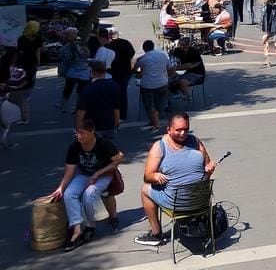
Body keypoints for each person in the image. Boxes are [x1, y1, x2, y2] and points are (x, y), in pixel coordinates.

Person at [135, 111, 218, 246]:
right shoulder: (162, 146)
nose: (182, 134)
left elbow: (146, 177)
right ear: (168, 129)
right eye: (178, 130)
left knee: (145, 190)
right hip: (201, 202)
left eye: (186, 129)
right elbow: (149, 176)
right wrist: (155, 176)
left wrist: (210, 167)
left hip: (177, 204)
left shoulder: (193, 141)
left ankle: (156, 234)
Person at [50, 118, 124, 251]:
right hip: (84, 175)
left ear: (92, 132)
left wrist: (98, 173)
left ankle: (90, 225)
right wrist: (61, 187)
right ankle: (77, 229)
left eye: (82, 133)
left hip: (103, 176)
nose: (79, 136)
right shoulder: (75, 146)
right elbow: (70, 169)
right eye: (77, 133)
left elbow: (117, 160)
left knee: (88, 195)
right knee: (69, 194)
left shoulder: (103, 144)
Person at [76, 61, 121, 140]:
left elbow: (81, 111)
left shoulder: (87, 89)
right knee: (107, 148)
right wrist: (116, 122)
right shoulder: (114, 86)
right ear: (105, 71)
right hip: (108, 124)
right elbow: (116, 107)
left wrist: (79, 129)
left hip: (91, 126)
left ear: (91, 71)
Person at [135, 40, 170, 134]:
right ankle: (156, 118)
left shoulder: (143, 59)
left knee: (149, 104)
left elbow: (136, 71)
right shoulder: (163, 56)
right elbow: (169, 67)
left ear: (144, 48)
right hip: (162, 82)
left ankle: (155, 122)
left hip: (147, 84)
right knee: (160, 102)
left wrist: (139, 73)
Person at [10, 21, 42, 124]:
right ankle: (25, 106)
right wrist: (38, 63)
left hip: (22, 65)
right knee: (28, 87)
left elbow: (20, 52)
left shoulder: (21, 38)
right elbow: (38, 52)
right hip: (32, 65)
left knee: (19, 89)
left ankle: (23, 116)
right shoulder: (38, 38)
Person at [57, 27, 91, 112]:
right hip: (84, 72)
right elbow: (88, 54)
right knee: (81, 91)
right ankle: (79, 107)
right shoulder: (82, 45)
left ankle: (63, 106)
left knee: (68, 90)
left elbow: (63, 59)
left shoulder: (65, 47)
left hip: (73, 71)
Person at [106, 28, 136, 122]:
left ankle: (113, 112)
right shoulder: (125, 43)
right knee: (123, 92)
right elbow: (132, 53)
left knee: (112, 92)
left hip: (113, 70)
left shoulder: (109, 45)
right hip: (125, 70)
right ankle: (122, 114)